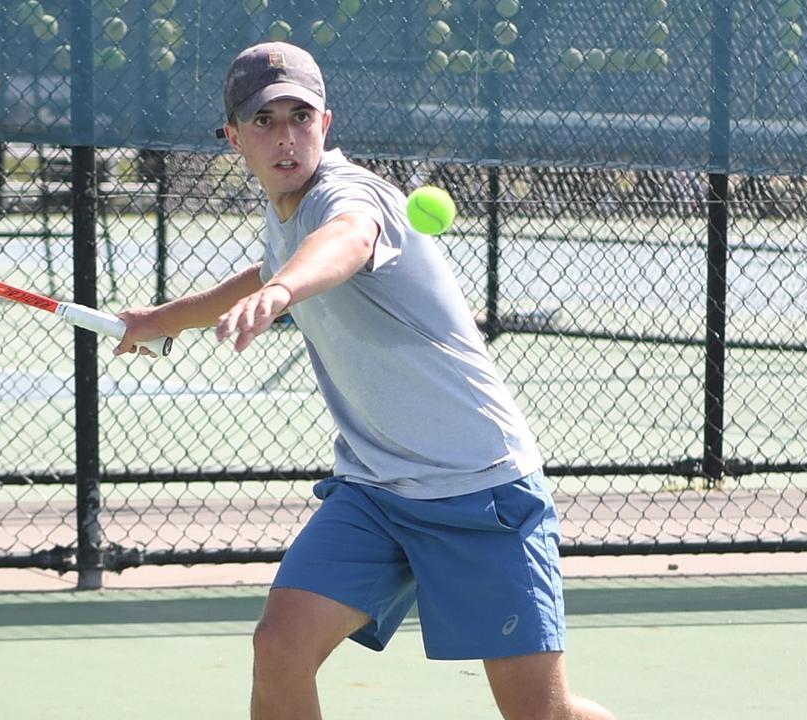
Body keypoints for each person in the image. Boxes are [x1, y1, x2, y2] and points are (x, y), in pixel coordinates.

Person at [115, 42, 614, 720]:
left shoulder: (348, 196)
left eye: (300, 116)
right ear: (234, 136)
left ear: (326, 124)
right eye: (264, 121)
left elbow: (345, 242)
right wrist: (159, 319)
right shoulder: (286, 210)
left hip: (481, 489)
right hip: (376, 492)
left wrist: (286, 291)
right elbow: (267, 268)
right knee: (281, 645)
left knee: (538, 713)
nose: (285, 137)